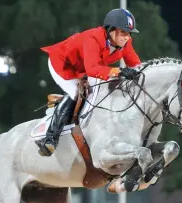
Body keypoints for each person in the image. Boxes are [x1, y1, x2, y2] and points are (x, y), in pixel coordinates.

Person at [35, 8, 142, 157]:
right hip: (62, 64)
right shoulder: (94, 38)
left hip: (84, 68)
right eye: (123, 32)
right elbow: (92, 69)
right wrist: (119, 71)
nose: (127, 37)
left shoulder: (126, 43)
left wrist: (141, 74)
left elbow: (136, 64)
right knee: (75, 93)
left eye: (129, 33)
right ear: (110, 30)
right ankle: (50, 139)